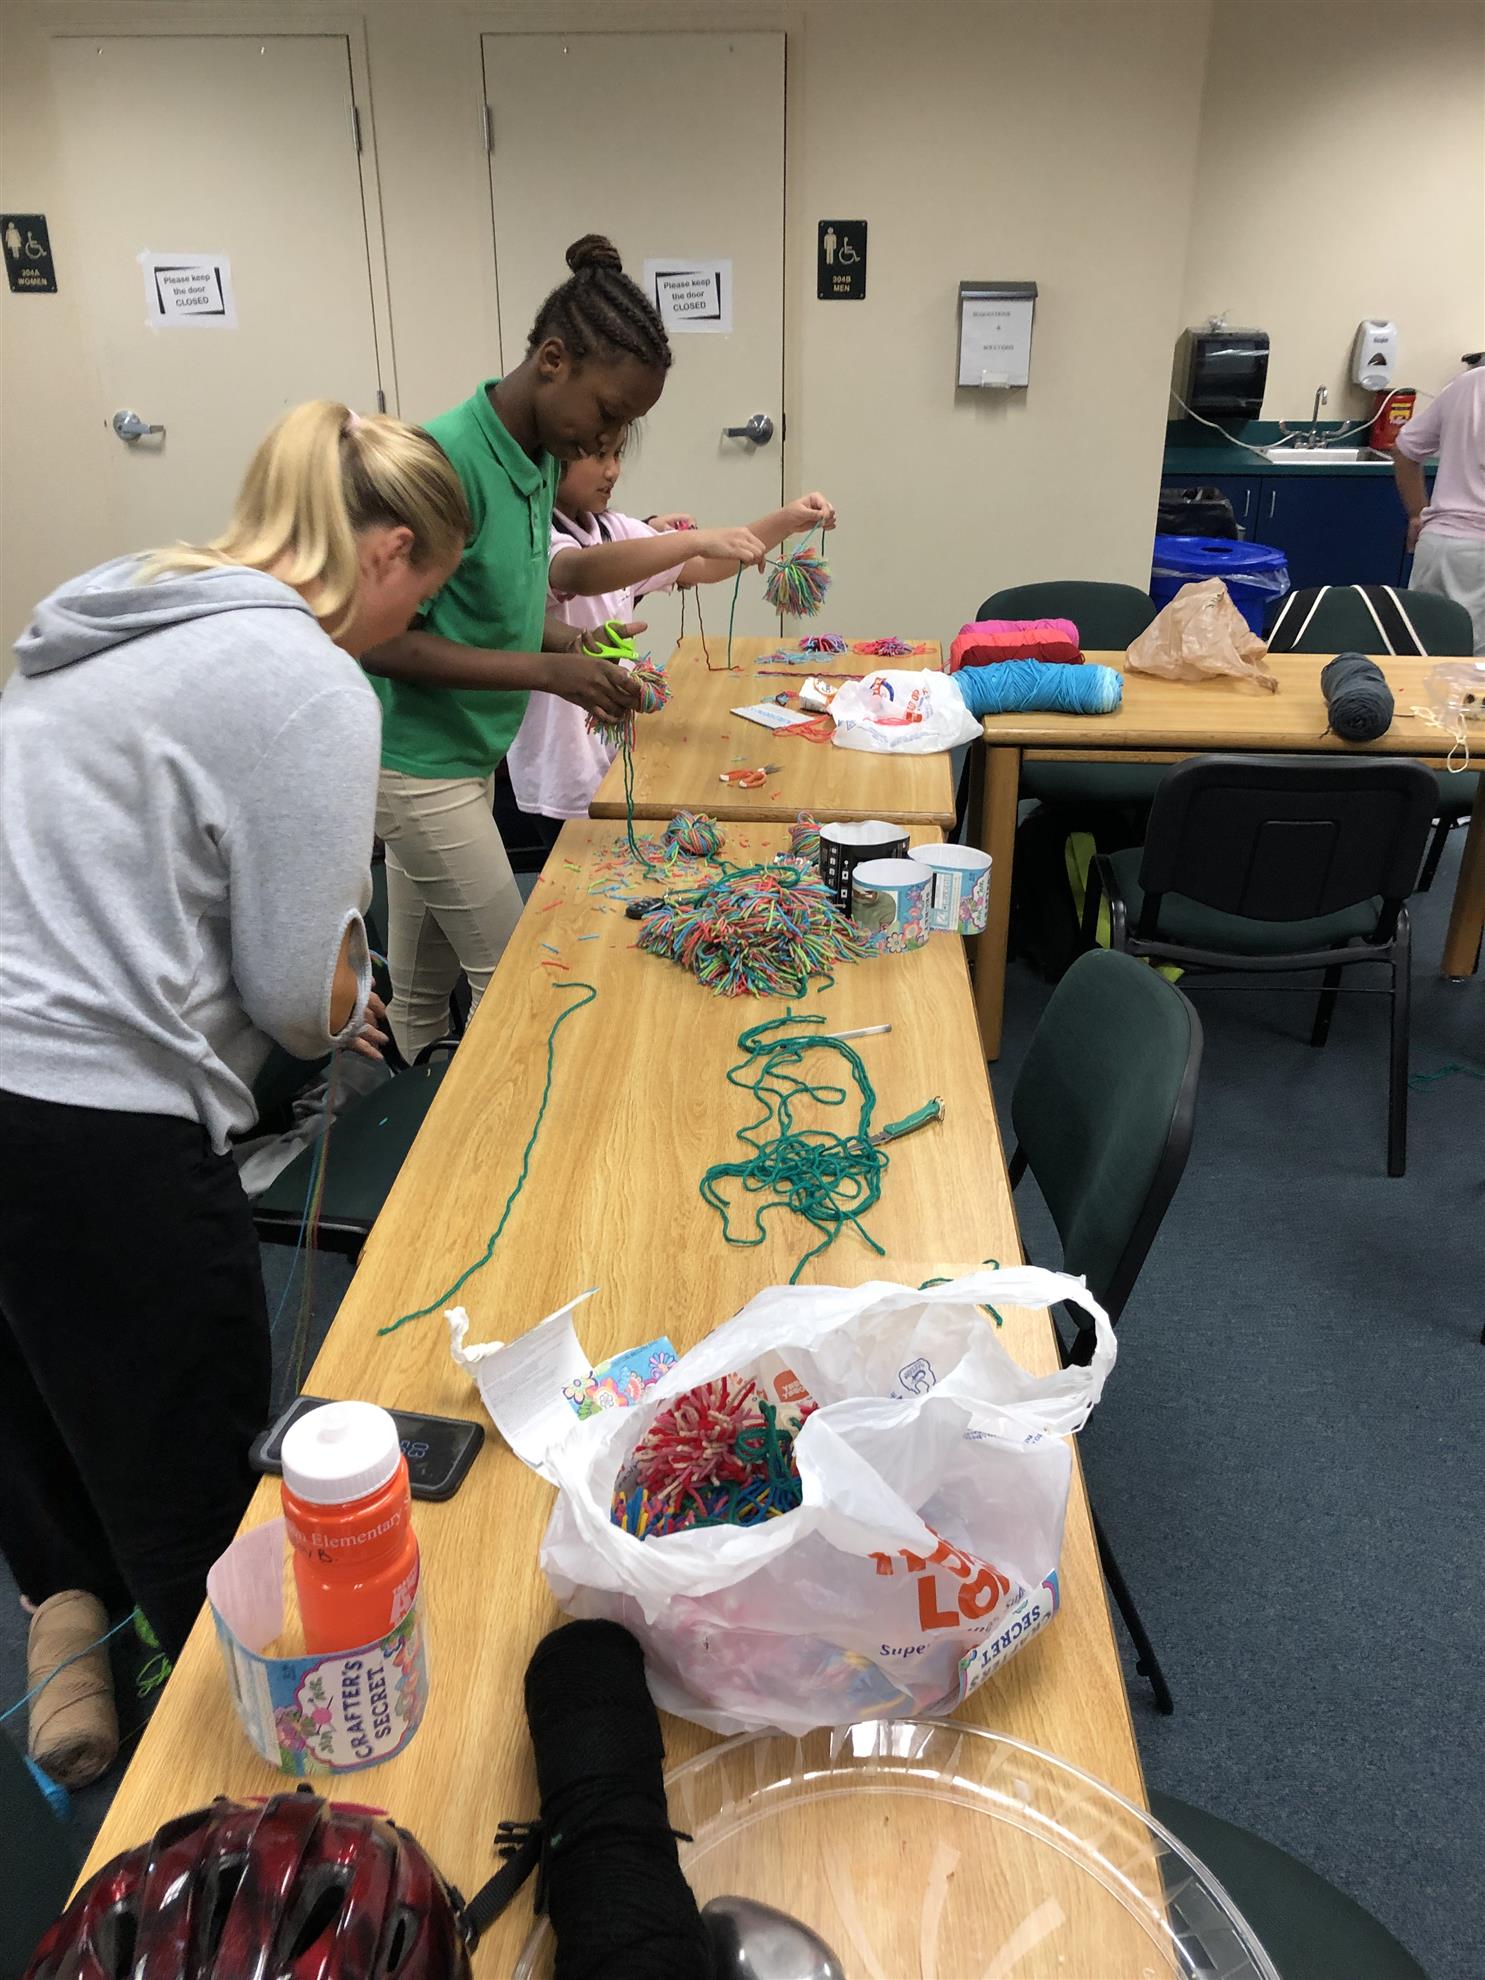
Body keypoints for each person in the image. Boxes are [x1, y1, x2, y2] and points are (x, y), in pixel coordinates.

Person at [0, 400, 470, 1686]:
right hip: (93, 1119)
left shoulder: (123, 602)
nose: (409, 624)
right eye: (422, 592)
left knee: (42, 1385)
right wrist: (347, 988)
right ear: (388, 552)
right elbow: (294, 997)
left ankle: (71, 1617)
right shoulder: (308, 679)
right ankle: (230, 1741)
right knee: (190, 1462)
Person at [364, 233, 673, 1061]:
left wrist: (577, 645)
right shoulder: (445, 462)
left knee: (420, 995)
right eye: (607, 414)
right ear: (552, 360)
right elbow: (380, 642)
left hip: (467, 756)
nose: (608, 439)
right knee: (517, 981)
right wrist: (551, 671)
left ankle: (413, 1118)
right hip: (417, 768)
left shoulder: (536, 459)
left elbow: (493, 608)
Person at [508, 438, 837, 832]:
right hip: (560, 771)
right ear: (551, 460)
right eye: (598, 456)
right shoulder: (535, 537)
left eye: (617, 455)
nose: (613, 470)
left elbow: (705, 565)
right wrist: (692, 540)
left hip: (610, 753)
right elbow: (577, 570)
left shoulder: (613, 528)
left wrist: (787, 520)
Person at [1390, 356, 1485, 654]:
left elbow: (1405, 449)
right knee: (1474, 669)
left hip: (1439, 547)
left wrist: (1417, 515)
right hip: (1477, 557)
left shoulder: (1469, 383)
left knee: (1421, 654)